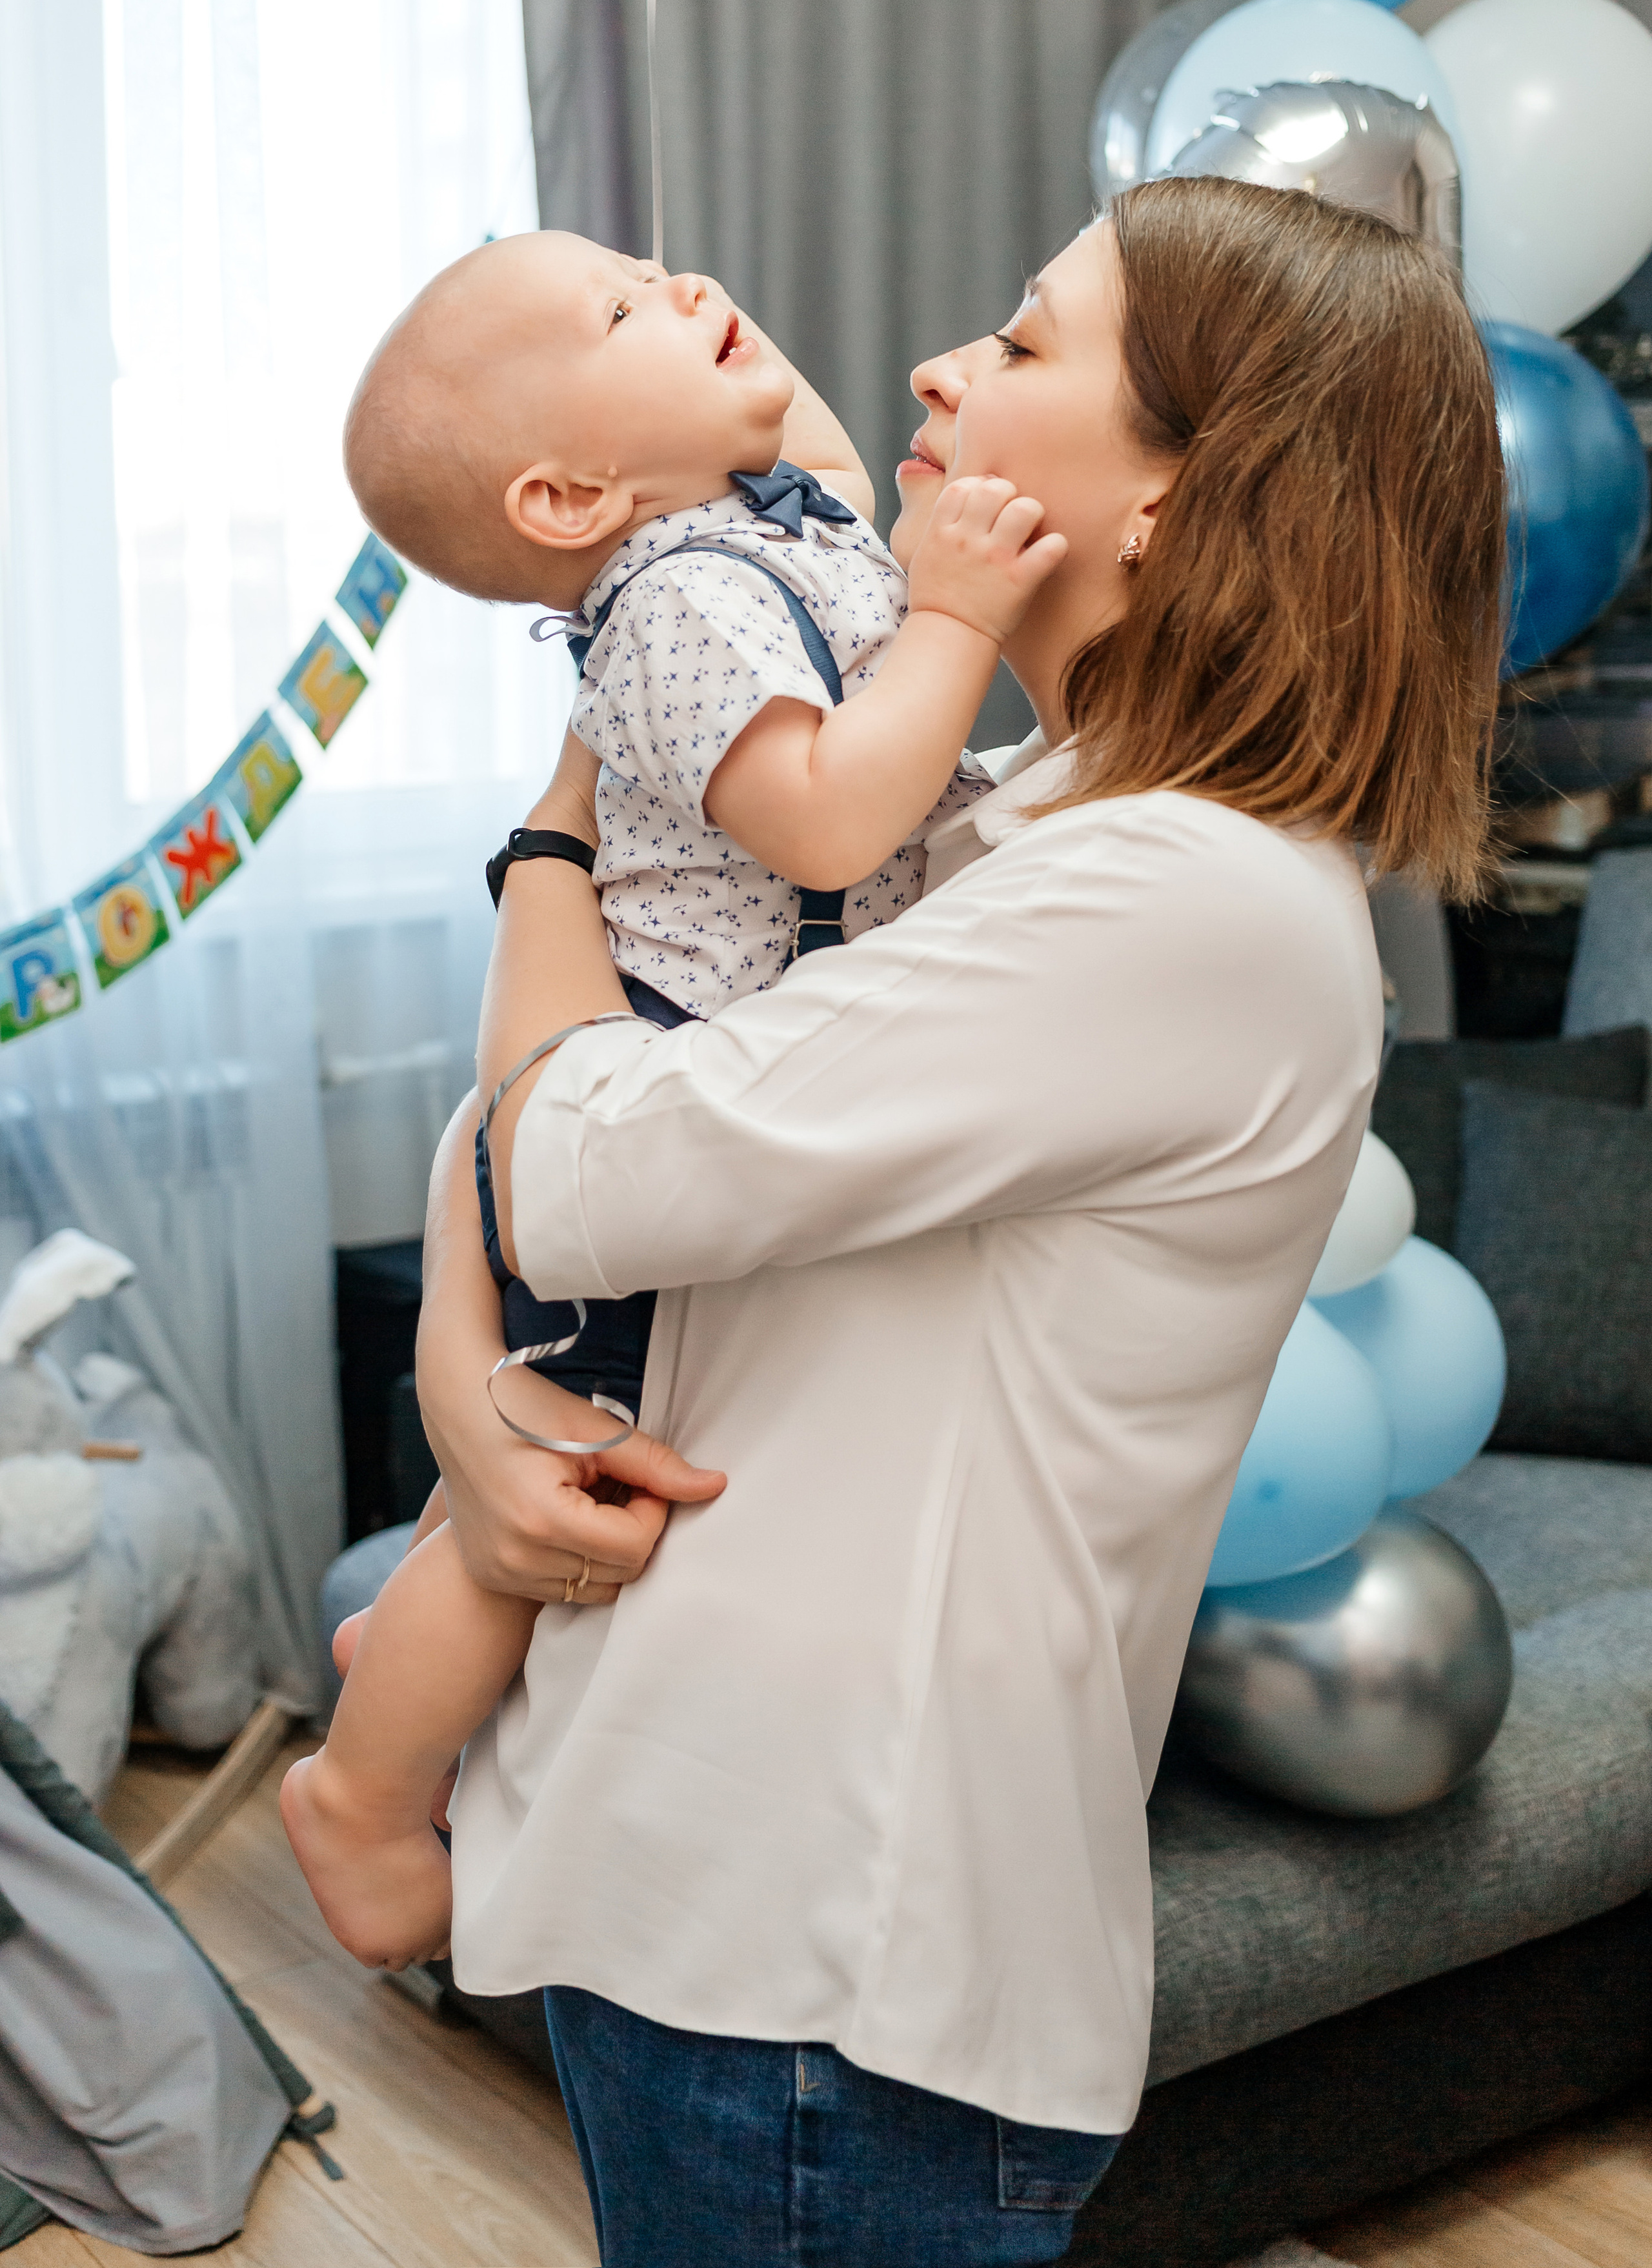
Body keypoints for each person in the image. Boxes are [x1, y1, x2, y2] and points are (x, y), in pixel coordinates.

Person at [431, 179, 1504, 2268]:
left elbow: (570, 1170)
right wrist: (466, 1395)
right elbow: (543, 1140)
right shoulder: (1015, 814)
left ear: (1183, 501)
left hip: (825, 1955)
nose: (941, 366)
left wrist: (562, 812)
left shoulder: (1173, 896)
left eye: (1026, 345)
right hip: (715, 1888)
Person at [281, 230, 1063, 1969]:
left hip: (698, 1096)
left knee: (551, 1467)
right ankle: (362, 1784)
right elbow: (832, 822)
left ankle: (400, 1652)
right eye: (627, 307)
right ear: (567, 498)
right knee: (553, 1496)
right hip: (627, 1099)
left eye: (660, 267)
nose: (693, 287)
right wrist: (954, 614)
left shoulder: (780, 524)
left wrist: (666, 310)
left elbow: (842, 463)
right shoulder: (680, 600)